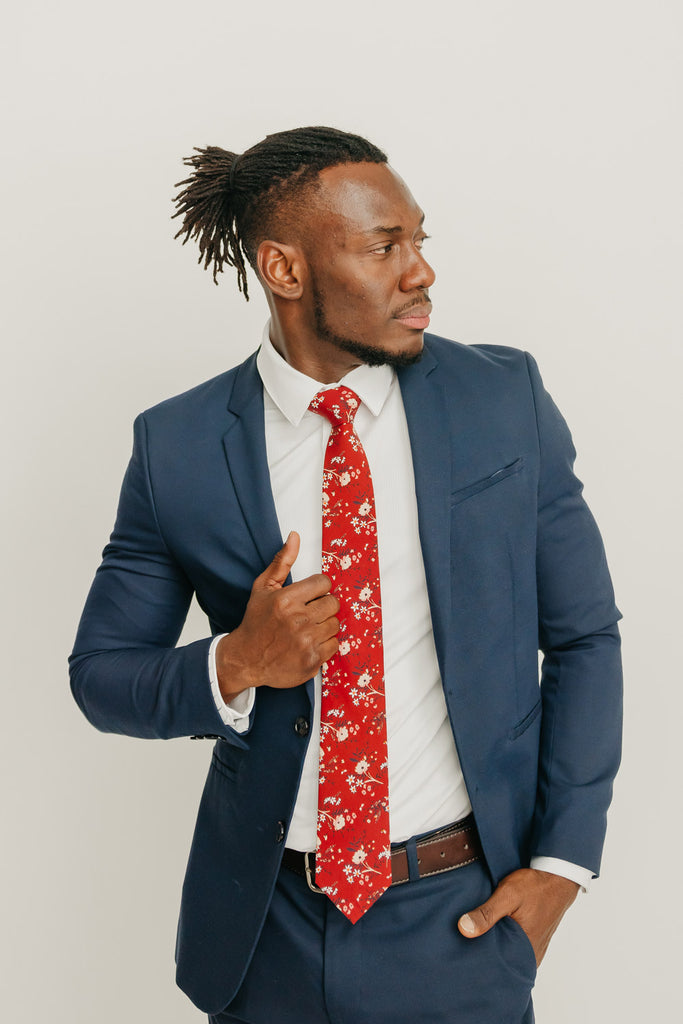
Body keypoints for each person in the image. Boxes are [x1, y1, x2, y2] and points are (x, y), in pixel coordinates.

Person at [69, 126, 622, 1024]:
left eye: (417, 241)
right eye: (382, 246)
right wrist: (239, 661)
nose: (420, 273)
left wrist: (559, 866)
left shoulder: (501, 400)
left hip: (463, 920)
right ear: (284, 270)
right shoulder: (176, 447)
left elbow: (583, 636)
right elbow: (100, 678)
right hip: (263, 930)